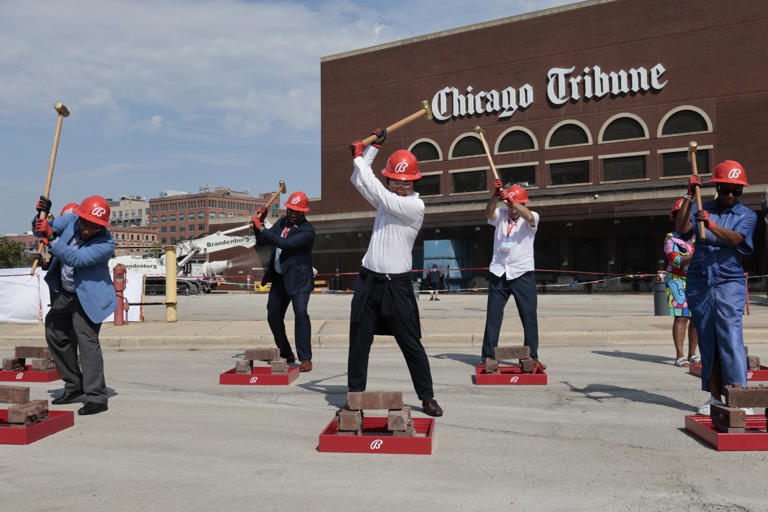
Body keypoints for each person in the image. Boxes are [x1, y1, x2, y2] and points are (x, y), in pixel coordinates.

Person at [347, 128, 443, 417]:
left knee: (411, 342)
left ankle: (427, 397)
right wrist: (372, 147)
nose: (400, 187)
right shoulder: (385, 198)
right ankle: (354, 397)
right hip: (368, 281)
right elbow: (358, 180)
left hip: (396, 286)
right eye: (395, 181)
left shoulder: (414, 206)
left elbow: (374, 187)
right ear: (389, 178)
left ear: (414, 182)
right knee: (358, 342)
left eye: (406, 182)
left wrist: (361, 158)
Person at [675, 161, 757, 415]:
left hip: (728, 281)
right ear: (717, 187)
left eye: (736, 191)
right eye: (725, 190)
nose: (731, 195)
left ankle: (739, 393)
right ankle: (714, 396)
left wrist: (710, 225)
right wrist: (689, 195)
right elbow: (681, 229)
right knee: (707, 338)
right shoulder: (701, 205)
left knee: (730, 336)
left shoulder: (747, 215)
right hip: (700, 280)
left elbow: (735, 240)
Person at [33, 195, 116, 415]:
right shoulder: (70, 220)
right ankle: (73, 385)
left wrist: (51, 236)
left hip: (89, 297)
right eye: (86, 223)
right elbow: (43, 230)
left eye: (95, 227)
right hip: (67, 292)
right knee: (54, 331)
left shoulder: (106, 243)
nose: (88, 229)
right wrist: (40, 217)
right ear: (80, 217)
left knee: (87, 342)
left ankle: (97, 397)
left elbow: (75, 259)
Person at [480, 180, 544, 370]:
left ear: (523, 204)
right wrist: (496, 195)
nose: (512, 210)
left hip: (522, 273)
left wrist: (512, 200)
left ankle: (532, 355)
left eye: (515, 206)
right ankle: (488, 355)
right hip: (499, 271)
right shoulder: (501, 214)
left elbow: (529, 217)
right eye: (508, 206)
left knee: (529, 316)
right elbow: (488, 212)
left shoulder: (531, 217)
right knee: (493, 316)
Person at [251, 191, 315, 372]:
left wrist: (262, 228)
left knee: (301, 314)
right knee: (273, 315)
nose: (293, 214)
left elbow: (284, 244)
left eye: (297, 212)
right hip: (280, 279)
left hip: (299, 280)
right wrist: (259, 225)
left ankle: (306, 358)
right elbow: (264, 240)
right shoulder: (281, 222)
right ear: (287, 209)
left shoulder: (307, 231)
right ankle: (286, 352)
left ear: (303, 213)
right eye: (291, 210)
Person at [664, 199, 699, 367]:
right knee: (682, 317)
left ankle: (693, 354)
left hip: (696, 279)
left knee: (697, 318)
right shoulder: (671, 239)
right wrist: (698, 254)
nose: (686, 218)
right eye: (682, 215)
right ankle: (680, 355)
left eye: (689, 216)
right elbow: (677, 260)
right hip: (677, 280)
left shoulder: (698, 236)